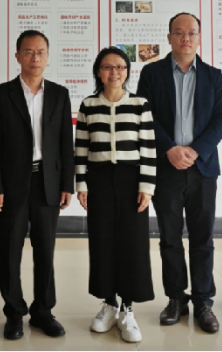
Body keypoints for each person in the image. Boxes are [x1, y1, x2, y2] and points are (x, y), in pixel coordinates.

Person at [135, 12, 222, 334]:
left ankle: (203, 301)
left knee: (203, 238)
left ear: (200, 38)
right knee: (170, 238)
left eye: (191, 33)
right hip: (167, 168)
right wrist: (170, 149)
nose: (185, 38)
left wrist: (196, 150)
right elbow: (145, 115)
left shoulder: (214, 76)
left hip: (202, 168)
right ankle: (176, 298)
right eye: (178, 32)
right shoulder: (152, 73)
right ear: (169, 38)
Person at [0, 30, 75, 341]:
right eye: (28, 52)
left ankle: (43, 311)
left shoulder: (60, 94)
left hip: (48, 182)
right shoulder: (0, 94)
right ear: (17, 56)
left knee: (45, 250)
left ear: (48, 56)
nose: (35, 58)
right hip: (12, 185)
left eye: (40, 52)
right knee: (10, 250)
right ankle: (14, 312)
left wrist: (67, 184)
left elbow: (65, 143)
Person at [75, 48, 156, 344]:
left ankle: (127, 309)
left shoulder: (139, 104)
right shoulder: (88, 105)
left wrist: (147, 187)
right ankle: (108, 303)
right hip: (98, 179)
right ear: (99, 72)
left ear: (127, 71)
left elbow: (149, 148)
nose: (114, 72)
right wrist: (81, 185)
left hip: (131, 180)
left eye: (120, 67)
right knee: (102, 241)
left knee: (132, 244)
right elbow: (81, 150)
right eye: (108, 67)